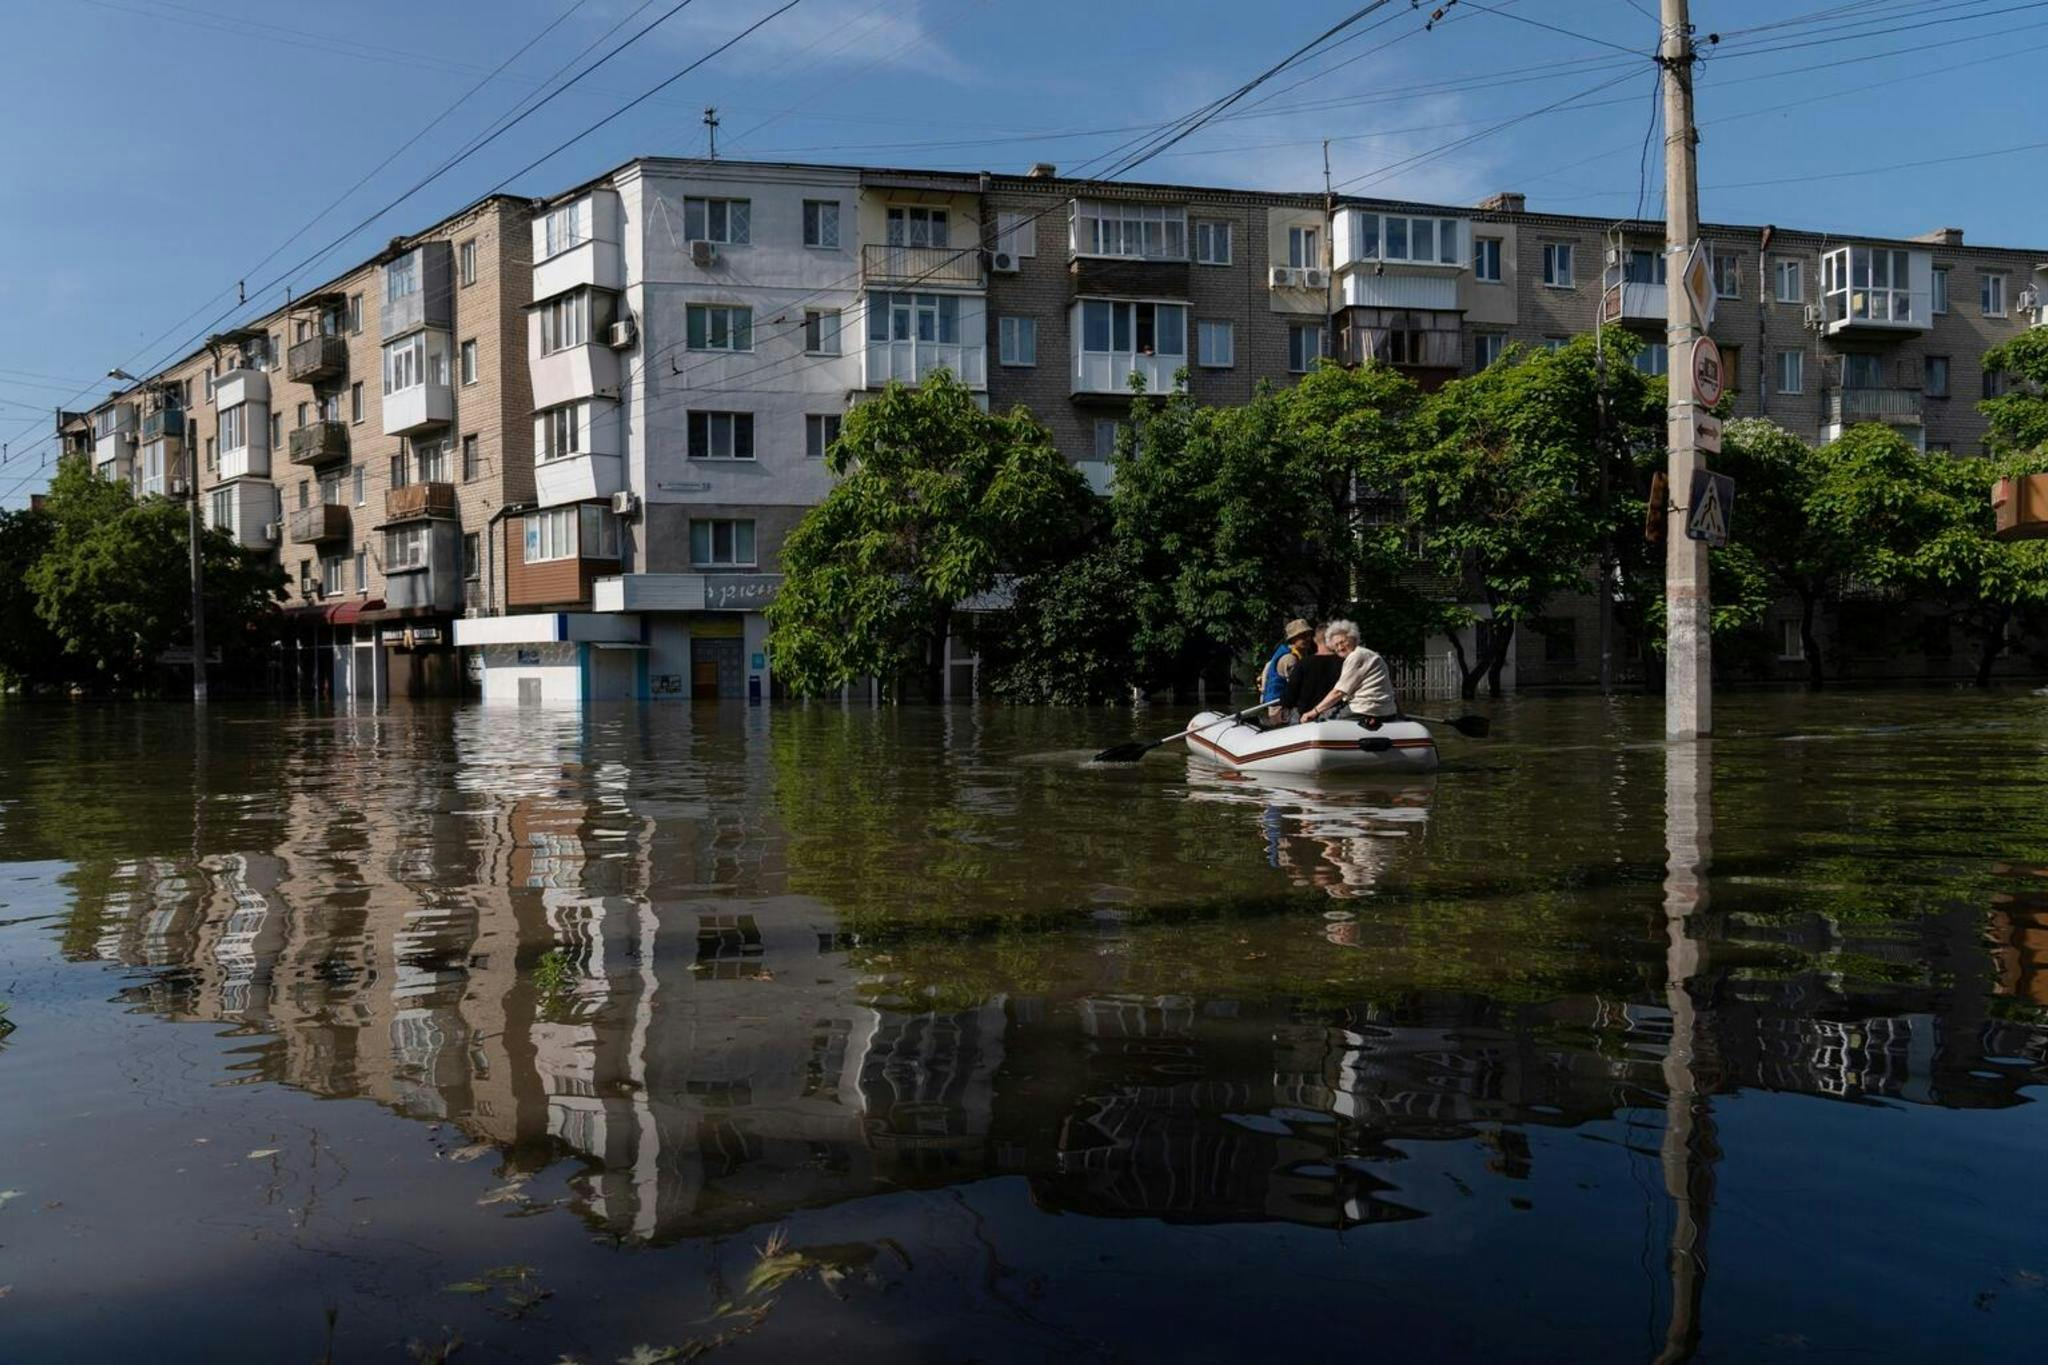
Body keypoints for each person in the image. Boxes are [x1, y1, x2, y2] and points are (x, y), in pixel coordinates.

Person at [1301, 619, 1398, 727]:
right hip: (1384, 709)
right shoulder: (1367, 653)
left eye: (1342, 642)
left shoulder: (1356, 656)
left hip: (1366, 708)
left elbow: (1338, 692)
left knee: (1321, 719)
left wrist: (1314, 711)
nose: (1340, 647)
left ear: (1353, 638)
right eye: (1336, 646)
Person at [1257, 619, 1315, 725]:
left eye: (1308, 635)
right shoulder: (1289, 658)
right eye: (1302, 636)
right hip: (1280, 708)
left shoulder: (1300, 654)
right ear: (1292, 639)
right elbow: (1297, 687)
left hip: (1286, 704)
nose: (1307, 639)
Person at [1281, 624, 1343, 721]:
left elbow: (1289, 698)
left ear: (1315, 640)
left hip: (1305, 719)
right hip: (1334, 719)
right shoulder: (1345, 663)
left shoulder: (1303, 663)